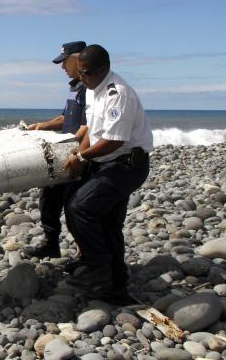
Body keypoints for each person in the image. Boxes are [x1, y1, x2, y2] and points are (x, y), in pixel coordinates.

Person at [63, 45, 153, 303]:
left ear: (104, 69)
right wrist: (81, 157)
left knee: (82, 207)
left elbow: (114, 140)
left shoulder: (118, 94)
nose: (82, 78)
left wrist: (81, 157)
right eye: (80, 73)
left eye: (87, 73)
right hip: (105, 162)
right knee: (106, 222)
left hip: (126, 165)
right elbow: (93, 129)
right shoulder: (93, 88)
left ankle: (98, 269)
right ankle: (116, 287)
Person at [26, 41, 88, 260]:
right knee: (48, 199)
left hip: (79, 155)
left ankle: (86, 254)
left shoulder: (90, 89)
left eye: (64, 61)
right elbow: (65, 118)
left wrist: (75, 153)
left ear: (78, 58)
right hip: (64, 152)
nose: (62, 67)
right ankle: (51, 243)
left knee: (75, 207)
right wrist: (42, 125)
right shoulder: (74, 87)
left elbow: (87, 126)